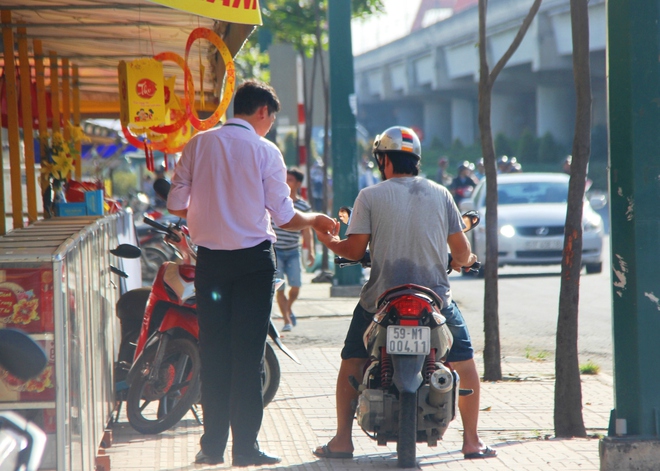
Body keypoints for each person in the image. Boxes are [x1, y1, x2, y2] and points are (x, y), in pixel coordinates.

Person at [167, 80, 337, 467]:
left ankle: (211, 448)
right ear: (263, 111)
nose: (270, 126)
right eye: (271, 119)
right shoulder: (265, 151)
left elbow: (176, 202)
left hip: (210, 263)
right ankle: (245, 450)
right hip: (253, 265)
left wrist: (209, 210)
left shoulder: (198, 144)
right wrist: (313, 220)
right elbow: (285, 217)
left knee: (213, 353)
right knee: (248, 356)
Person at [312, 126, 496, 461]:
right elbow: (461, 251)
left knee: (352, 360)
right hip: (434, 299)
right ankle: (472, 441)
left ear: (383, 160)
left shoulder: (370, 196)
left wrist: (327, 239)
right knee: (464, 362)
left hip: (381, 299)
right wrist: (466, 261)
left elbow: (354, 251)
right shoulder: (441, 193)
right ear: (416, 161)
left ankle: (342, 441)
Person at [272, 167, 315, 332]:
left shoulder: (303, 206)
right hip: (276, 252)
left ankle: (288, 308)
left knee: (296, 287)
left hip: (293, 251)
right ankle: (286, 319)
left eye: (290, 180)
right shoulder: (276, 201)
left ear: (298, 183)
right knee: (280, 287)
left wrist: (310, 250)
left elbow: (307, 230)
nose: (286, 182)